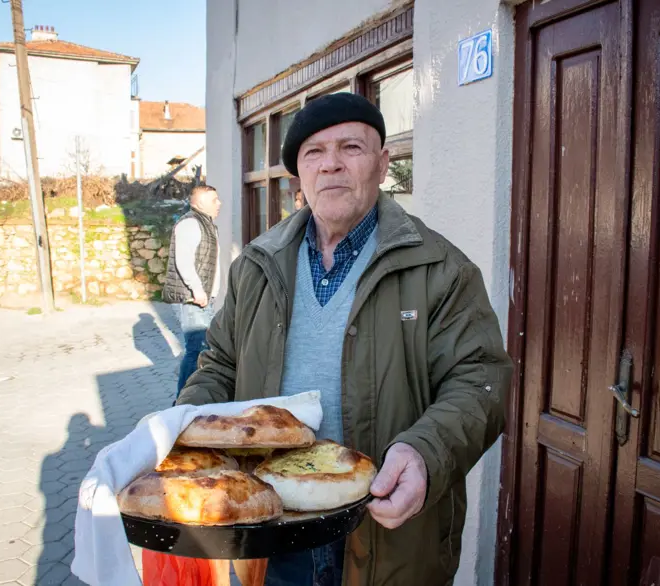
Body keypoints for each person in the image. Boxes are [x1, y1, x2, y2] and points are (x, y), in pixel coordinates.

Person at [177, 93, 513, 586]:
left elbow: (479, 379)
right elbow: (219, 366)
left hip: (387, 532)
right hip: (270, 526)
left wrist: (423, 451)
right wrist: (177, 439)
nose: (331, 164)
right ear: (299, 177)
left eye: (351, 148)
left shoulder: (442, 269)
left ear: (382, 165)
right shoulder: (255, 266)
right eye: (314, 152)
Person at [162, 185, 223, 401]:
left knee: (202, 348)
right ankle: (183, 402)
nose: (219, 204)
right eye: (214, 200)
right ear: (199, 203)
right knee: (196, 349)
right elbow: (184, 261)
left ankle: (194, 399)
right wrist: (197, 290)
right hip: (193, 299)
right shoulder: (190, 224)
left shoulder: (206, 223)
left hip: (202, 298)